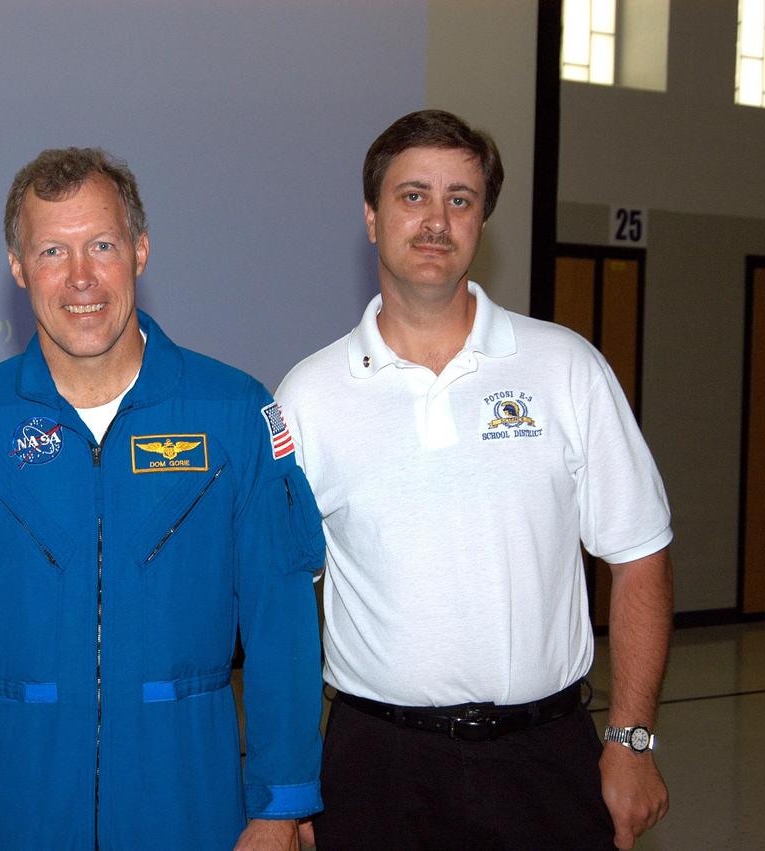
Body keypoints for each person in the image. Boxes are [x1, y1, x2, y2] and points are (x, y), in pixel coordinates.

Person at [0, 147, 325, 850]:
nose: (81, 278)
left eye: (101, 245)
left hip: (192, 803)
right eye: (53, 251)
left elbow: (282, 624)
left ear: (140, 251)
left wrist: (280, 807)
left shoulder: (233, 411)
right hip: (8, 806)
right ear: (17, 267)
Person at [277, 109, 673, 850]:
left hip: (547, 755)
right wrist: (291, 784)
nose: (437, 220)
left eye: (460, 199)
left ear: (481, 219)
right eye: (413, 195)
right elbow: (283, 609)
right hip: (375, 763)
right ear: (370, 216)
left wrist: (632, 739)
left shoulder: (566, 369)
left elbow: (640, 555)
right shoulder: (308, 394)